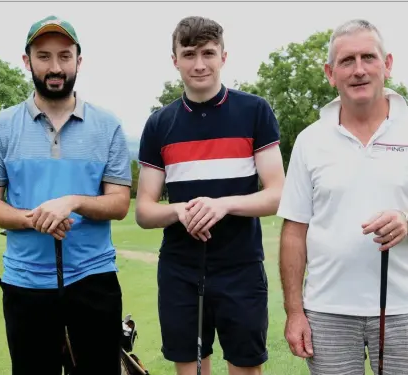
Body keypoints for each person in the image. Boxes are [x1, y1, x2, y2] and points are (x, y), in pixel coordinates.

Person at [277, 18, 408, 375]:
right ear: (331, 73)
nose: (359, 70)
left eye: (369, 57)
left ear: (387, 64)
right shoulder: (310, 140)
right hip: (327, 312)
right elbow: (294, 231)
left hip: (406, 311)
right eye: (347, 61)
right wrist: (295, 311)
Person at [0, 15, 132, 375]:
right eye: (44, 56)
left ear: (79, 60)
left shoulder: (107, 125)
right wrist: (34, 218)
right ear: (27, 61)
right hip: (25, 283)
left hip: (94, 280)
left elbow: (119, 203)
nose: (55, 66)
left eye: (64, 56)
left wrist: (73, 201)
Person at [135, 16, 285, 375]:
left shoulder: (255, 111)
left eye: (208, 53)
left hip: (241, 267)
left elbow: (278, 194)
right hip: (180, 269)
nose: (199, 64)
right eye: (189, 54)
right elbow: (143, 210)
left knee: (246, 368)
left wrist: (223, 205)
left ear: (223, 56)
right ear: (175, 59)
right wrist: (179, 212)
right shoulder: (159, 124)